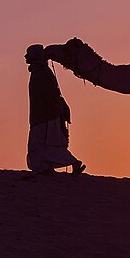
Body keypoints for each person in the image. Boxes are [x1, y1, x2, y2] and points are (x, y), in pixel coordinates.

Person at [25, 44, 86, 175]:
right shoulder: (40, 71)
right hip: (44, 115)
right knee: (43, 145)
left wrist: (57, 109)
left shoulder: (41, 72)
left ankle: (73, 162)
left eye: (28, 54)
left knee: (46, 144)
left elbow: (50, 94)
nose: (26, 57)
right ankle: (46, 168)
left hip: (45, 116)